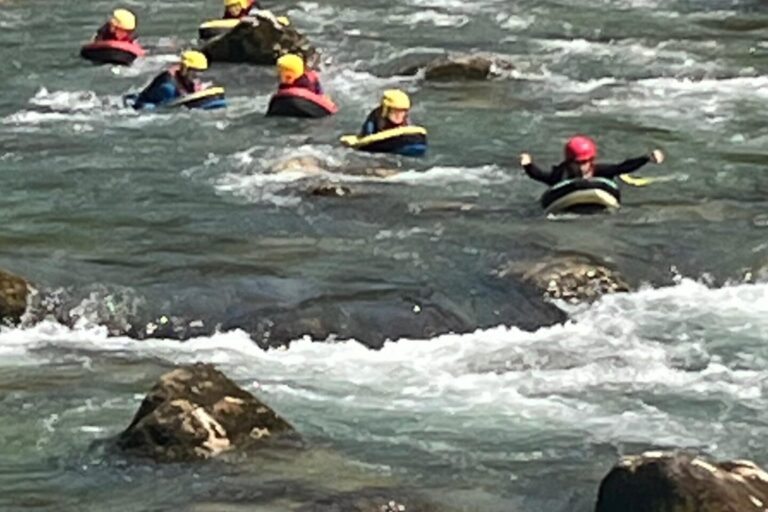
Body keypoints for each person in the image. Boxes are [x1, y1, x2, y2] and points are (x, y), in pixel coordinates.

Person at [520, 136, 665, 186]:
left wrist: (647, 158)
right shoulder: (560, 174)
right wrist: (527, 164)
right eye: (578, 163)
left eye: (585, 162)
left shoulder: (599, 171)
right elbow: (539, 175)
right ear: (569, 162)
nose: (582, 167)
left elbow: (622, 167)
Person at [134, 51, 208, 108]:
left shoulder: (186, 77)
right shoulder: (168, 87)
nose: (199, 75)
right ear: (185, 69)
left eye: (202, 71)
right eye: (195, 70)